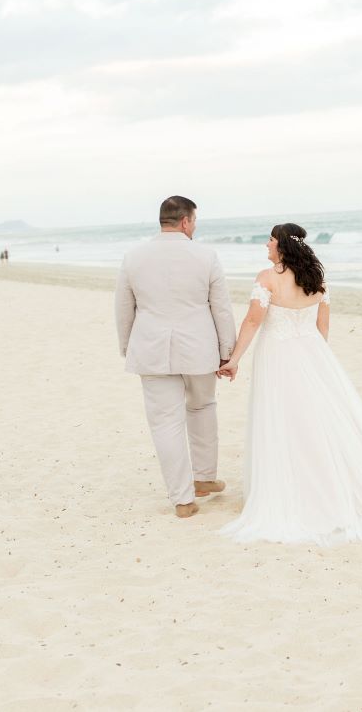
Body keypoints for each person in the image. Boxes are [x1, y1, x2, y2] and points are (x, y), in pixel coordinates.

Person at [218, 223, 362, 545]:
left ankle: (294, 490)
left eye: (271, 239)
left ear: (282, 245)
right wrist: (316, 362)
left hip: (278, 356)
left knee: (285, 420)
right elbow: (322, 330)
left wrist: (234, 359)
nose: (266, 244)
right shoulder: (316, 280)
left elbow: (253, 321)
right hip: (314, 356)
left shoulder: (267, 278)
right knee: (317, 421)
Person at [115, 196, 236, 518]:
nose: (194, 227)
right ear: (185, 221)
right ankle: (204, 478)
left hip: (150, 348)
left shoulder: (133, 257)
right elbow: (221, 307)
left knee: (165, 424)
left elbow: (124, 308)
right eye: (194, 221)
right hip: (199, 349)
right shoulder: (206, 256)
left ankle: (183, 500)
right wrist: (228, 353)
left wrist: (129, 346)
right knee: (202, 407)